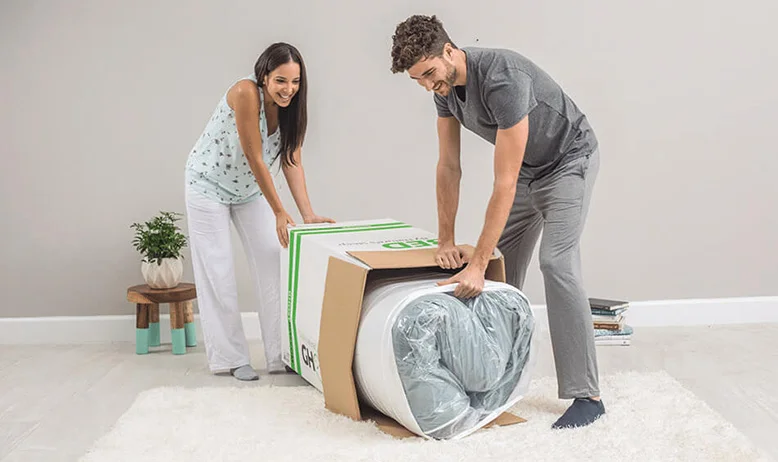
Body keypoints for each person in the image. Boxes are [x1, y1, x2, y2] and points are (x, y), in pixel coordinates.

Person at [390, 15, 604, 429]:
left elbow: (502, 182)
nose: (426, 85)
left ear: (449, 51)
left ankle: (587, 395)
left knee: (556, 263)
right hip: (527, 170)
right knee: (501, 273)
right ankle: (495, 378)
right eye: (417, 79)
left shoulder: (503, 77)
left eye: (429, 73)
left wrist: (475, 262)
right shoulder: (445, 90)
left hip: (567, 161)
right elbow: (448, 167)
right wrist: (447, 240)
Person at [184, 42, 334, 381]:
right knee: (218, 270)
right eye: (281, 81)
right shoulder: (245, 93)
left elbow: (291, 159)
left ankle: (281, 355)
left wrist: (307, 214)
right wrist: (280, 211)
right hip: (207, 185)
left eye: (295, 82)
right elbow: (254, 156)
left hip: (249, 190)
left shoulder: (292, 108)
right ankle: (231, 358)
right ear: (264, 75)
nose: (288, 90)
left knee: (273, 263)